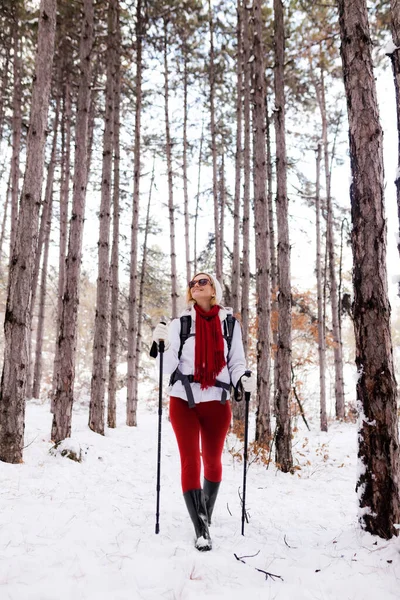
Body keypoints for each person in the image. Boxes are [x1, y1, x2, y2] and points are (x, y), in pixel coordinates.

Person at [152, 272, 256, 552]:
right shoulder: (179, 324)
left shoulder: (230, 325)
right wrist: (160, 345)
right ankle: (201, 529)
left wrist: (243, 379)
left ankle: (205, 515)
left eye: (203, 281)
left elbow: (236, 362)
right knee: (190, 461)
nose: (196, 285)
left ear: (213, 290)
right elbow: (165, 368)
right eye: (192, 283)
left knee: (212, 461)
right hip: (182, 400)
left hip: (216, 400)